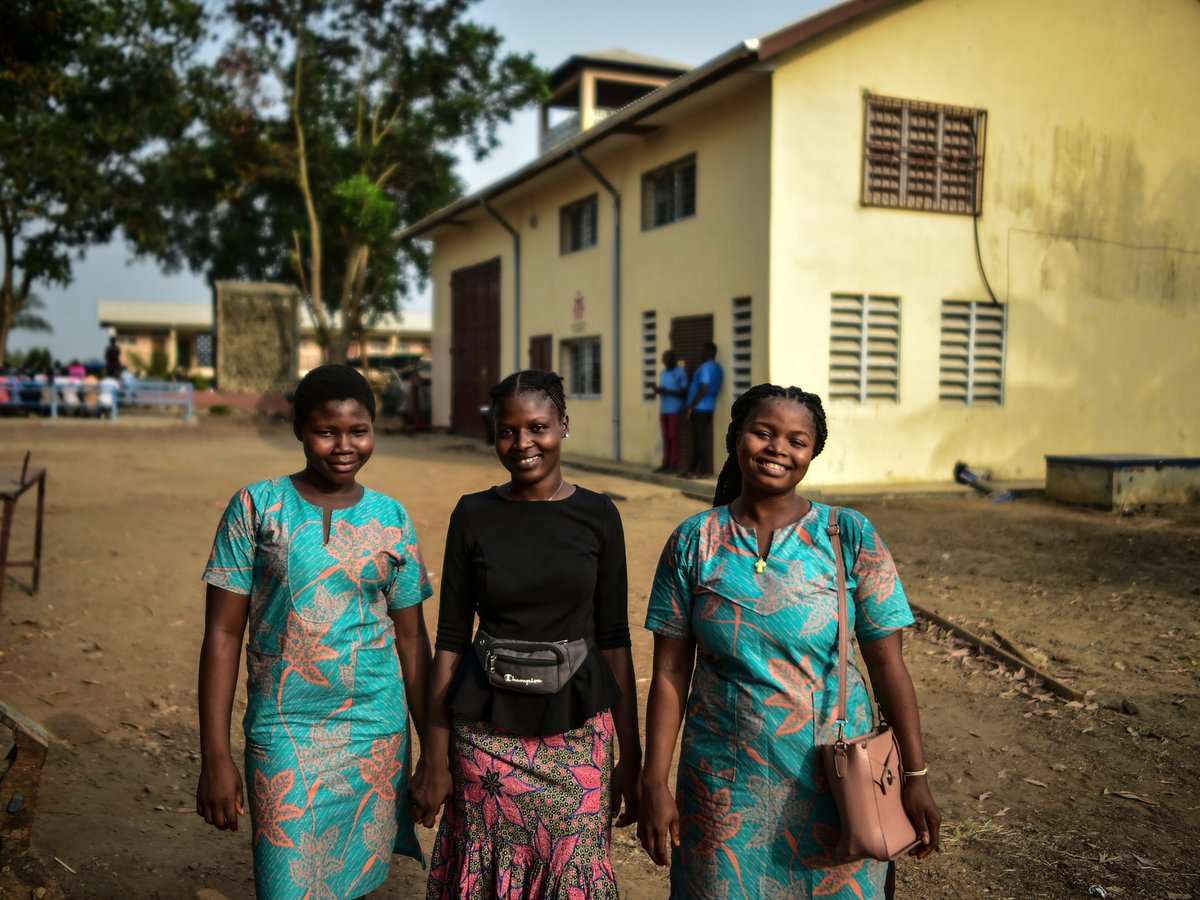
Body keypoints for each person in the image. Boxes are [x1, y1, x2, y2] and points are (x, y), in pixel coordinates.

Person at [639, 384, 941, 899]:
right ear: (737, 439)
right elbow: (669, 673)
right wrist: (653, 779)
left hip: (835, 781)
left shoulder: (849, 535)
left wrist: (914, 774)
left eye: (797, 440)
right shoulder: (694, 540)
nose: (779, 448)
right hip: (723, 787)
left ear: (812, 453)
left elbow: (890, 668)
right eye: (764, 432)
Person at [196, 364, 433, 899]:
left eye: (359, 430)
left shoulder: (392, 517)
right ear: (299, 429)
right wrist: (215, 754)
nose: (344, 446)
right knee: (287, 884)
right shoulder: (255, 507)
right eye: (327, 431)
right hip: (285, 727)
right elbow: (223, 634)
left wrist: (434, 751)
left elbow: (413, 639)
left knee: (351, 882)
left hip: (374, 726)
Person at [413, 369, 641, 899]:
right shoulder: (473, 514)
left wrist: (631, 757)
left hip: (577, 737)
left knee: (574, 871)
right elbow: (450, 641)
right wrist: (435, 755)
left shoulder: (599, 514)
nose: (522, 444)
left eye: (537, 427)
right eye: (506, 431)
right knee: (486, 869)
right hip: (485, 741)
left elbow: (614, 640)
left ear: (563, 425)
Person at [682, 342, 723, 479]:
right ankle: (692, 468)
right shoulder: (718, 368)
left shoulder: (705, 368)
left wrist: (691, 406)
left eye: (702, 351)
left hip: (700, 407)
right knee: (699, 438)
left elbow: (704, 388)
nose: (700, 354)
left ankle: (704, 470)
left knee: (700, 439)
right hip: (709, 406)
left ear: (708, 352)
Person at [652, 350, 688, 474]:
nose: (666, 362)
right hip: (664, 409)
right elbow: (663, 388)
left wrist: (668, 391)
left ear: (673, 360)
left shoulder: (680, 372)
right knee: (665, 437)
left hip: (675, 410)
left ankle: (674, 464)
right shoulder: (663, 373)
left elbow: (684, 391)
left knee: (673, 437)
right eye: (664, 360)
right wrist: (659, 390)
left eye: (668, 360)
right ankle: (665, 463)